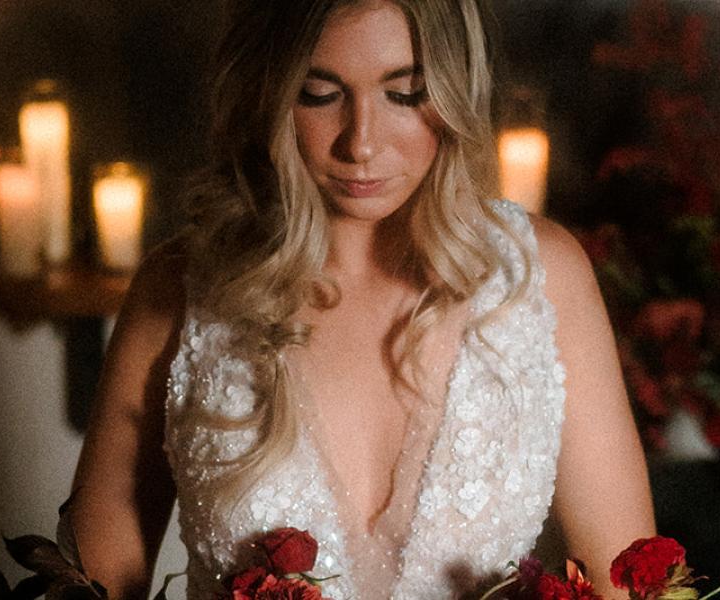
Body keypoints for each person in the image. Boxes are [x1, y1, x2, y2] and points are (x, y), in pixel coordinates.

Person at [65, 0, 653, 597]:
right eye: (319, 94)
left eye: (405, 94)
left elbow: (628, 585)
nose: (361, 143)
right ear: (268, 92)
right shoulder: (179, 291)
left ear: (454, 91)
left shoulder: (541, 276)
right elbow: (88, 589)